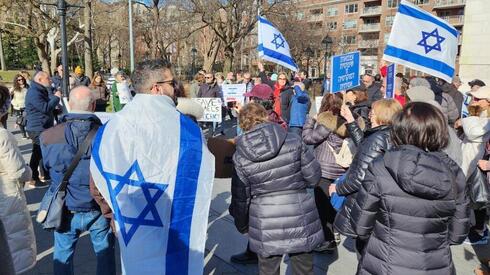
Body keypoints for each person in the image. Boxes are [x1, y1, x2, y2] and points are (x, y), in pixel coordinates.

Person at [89, 59, 213, 274]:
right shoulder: (184, 128)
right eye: (172, 83)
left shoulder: (114, 125)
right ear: (156, 88)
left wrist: (114, 215)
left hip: (131, 222)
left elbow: (97, 177)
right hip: (171, 222)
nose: (176, 88)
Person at [348, 102, 470, 275]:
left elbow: (360, 226)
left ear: (399, 130)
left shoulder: (380, 167)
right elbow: (458, 235)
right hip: (435, 265)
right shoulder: (454, 173)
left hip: (385, 262)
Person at [233, 102, 323, 275]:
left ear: (243, 124)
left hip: (264, 217)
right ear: (265, 116)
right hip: (298, 210)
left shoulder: (239, 156)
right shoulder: (293, 140)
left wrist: (242, 225)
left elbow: (241, 197)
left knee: (268, 270)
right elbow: (314, 178)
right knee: (304, 269)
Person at [40, 86, 115, 275]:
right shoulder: (108, 135)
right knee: (105, 256)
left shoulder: (48, 135)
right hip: (98, 206)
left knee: (63, 257)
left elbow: (47, 168)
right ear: (93, 105)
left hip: (65, 207)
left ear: (70, 104)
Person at [333, 99, 402, 255]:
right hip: (384, 202)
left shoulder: (378, 138)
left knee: (365, 252)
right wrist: (350, 120)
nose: (370, 114)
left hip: (368, 201)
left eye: (374, 111)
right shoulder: (390, 134)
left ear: (382, 116)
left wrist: (338, 188)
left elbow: (360, 178)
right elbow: (365, 145)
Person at [303, 92, 356, 252]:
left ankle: (329, 239)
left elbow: (308, 138)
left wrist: (311, 119)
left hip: (326, 170)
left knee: (324, 206)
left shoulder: (327, 122)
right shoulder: (352, 119)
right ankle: (336, 230)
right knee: (337, 203)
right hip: (343, 168)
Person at [0, 85, 36, 275]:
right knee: (11, 246)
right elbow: (17, 170)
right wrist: (29, 171)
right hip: (6, 194)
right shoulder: (2, 135)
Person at [25, 71, 61, 186]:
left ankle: (44, 175)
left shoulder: (40, 90)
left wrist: (56, 110)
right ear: (40, 80)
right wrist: (56, 98)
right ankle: (33, 178)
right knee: (37, 153)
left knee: (41, 152)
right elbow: (44, 108)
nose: (50, 80)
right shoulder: (34, 92)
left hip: (42, 126)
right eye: (48, 79)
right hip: (37, 128)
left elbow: (44, 108)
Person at [10, 74, 29, 138]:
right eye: (19, 80)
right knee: (20, 122)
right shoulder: (14, 88)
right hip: (17, 107)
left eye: (22, 79)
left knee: (26, 120)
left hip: (26, 107)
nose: (21, 80)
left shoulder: (27, 87)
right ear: (16, 81)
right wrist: (14, 103)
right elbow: (8, 95)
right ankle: (23, 135)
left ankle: (29, 132)